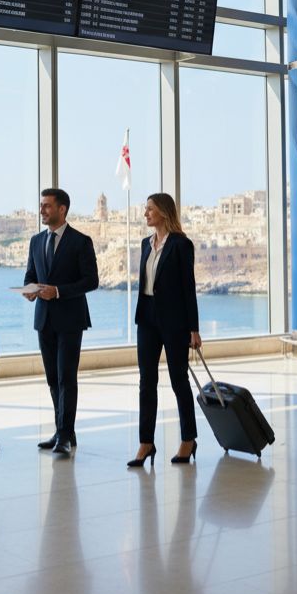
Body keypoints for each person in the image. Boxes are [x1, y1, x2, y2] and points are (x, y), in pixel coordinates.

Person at [22, 188, 99, 457]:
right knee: (53, 378)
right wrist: (29, 291)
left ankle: (65, 435)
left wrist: (58, 291)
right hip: (43, 319)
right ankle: (62, 430)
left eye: (46, 206)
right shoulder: (35, 241)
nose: (42, 210)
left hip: (70, 319)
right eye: (41, 205)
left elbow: (92, 281)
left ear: (62, 209)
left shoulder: (81, 241)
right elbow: (30, 274)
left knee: (67, 377)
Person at [128, 192, 202, 468]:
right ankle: (146, 442)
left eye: (149, 209)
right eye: (145, 209)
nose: (146, 214)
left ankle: (188, 438)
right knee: (146, 382)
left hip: (174, 322)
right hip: (146, 318)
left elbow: (188, 288)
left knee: (178, 380)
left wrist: (194, 328)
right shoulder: (146, 244)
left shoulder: (182, 245)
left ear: (163, 211)